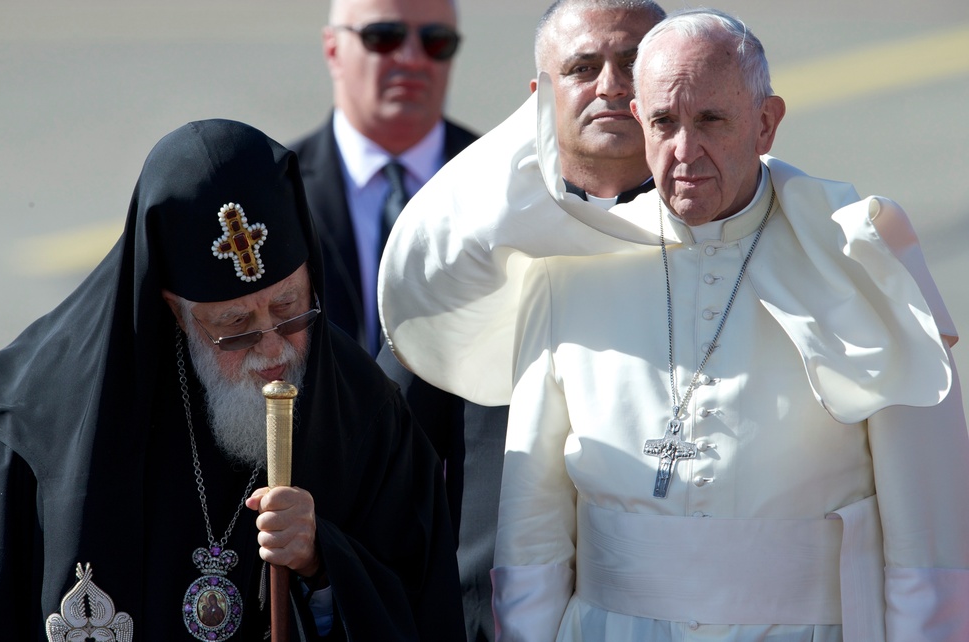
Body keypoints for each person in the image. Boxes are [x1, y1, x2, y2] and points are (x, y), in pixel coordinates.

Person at [379, 8, 969, 641]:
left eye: (711, 120)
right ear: (641, 121)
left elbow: (927, 544)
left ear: (766, 123)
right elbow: (533, 536)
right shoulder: (568, 270)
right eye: (664, 122)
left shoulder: (856, 256)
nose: (685, 151)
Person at [0, 119, 464, 641]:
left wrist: (323, 563)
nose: (271, 349)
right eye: (234, 326)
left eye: (289, 308)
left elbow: (425, 602)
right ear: (174, 309)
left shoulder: (364, 412)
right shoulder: (48, 414)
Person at [375, 1, 665, 639]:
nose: (611, 85)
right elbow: (379, 453)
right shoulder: (473, 244)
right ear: (541, 95)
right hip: (488, 621)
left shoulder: (725, 241)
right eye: (583, 67)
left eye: (635, 65)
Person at [289, 0, 477, 355]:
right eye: (383, 37)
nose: (411, 58)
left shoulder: (505, 180)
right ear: (333, 49)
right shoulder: (276, 187)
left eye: (436, 41)